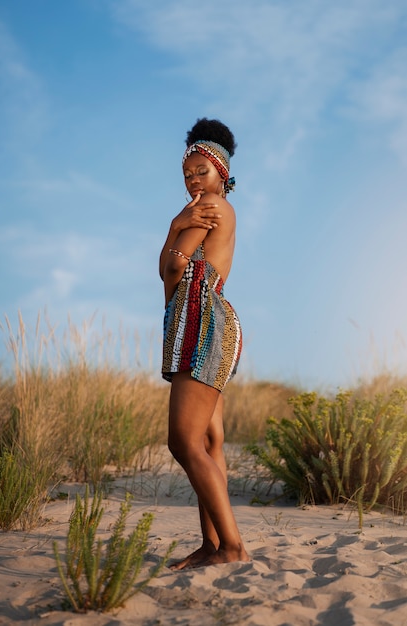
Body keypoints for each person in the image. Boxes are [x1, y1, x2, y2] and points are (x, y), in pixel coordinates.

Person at [159, 118, 249, 569]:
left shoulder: (209, 206)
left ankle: (230, 546)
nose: (194, 180)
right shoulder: (217, 209)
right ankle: (212, 546)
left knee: (183, 441)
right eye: (188, 173)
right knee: (210, 441)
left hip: (200, 320)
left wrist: (176, 224)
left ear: (220, 172)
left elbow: (171, 269)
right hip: (212, 318)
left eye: (202, 170)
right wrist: (178, 226)